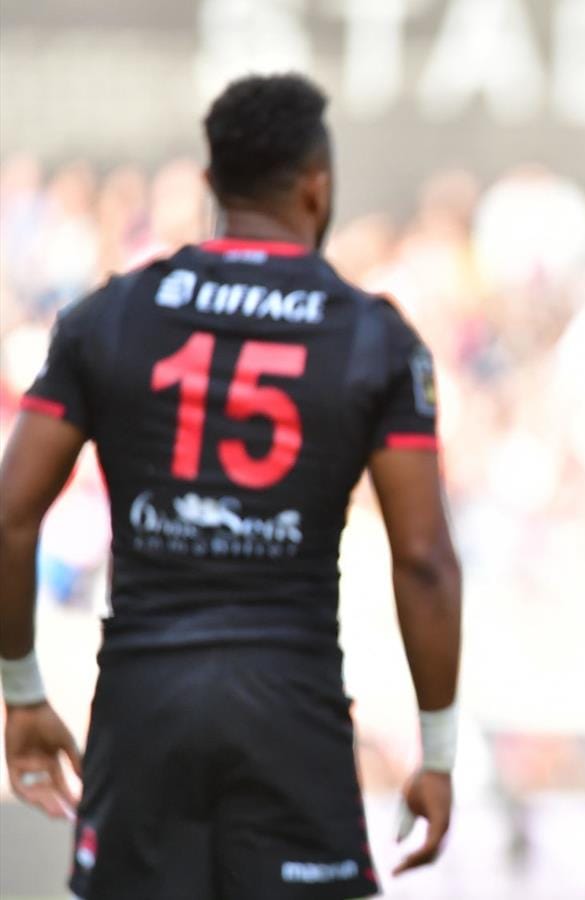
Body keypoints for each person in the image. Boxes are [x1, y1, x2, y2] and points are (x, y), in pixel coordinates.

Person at [0, 73, 462, 899]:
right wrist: (438, 751)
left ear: (212, 183)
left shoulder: (110, 315)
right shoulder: (374, 338)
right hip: (290, 709)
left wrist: (23, 695)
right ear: (317, 185)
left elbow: (9, 516)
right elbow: (423, 557)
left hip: (143, 706)